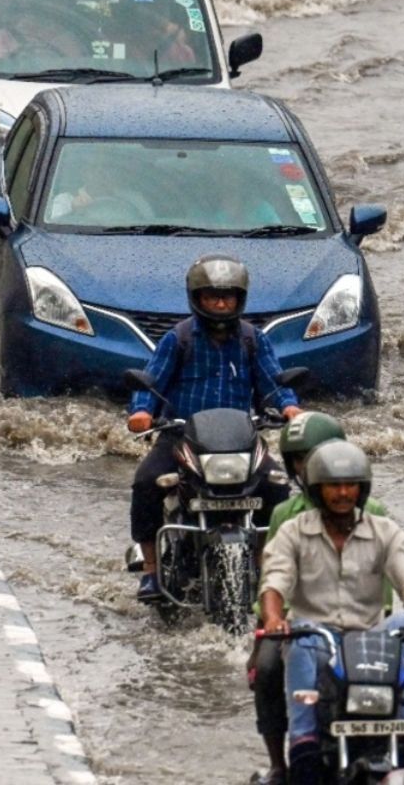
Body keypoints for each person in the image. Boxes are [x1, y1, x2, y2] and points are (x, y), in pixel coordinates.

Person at [259, 441, 404, 785]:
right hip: (317, 640)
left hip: (369, 642)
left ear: (362, 490)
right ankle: (302, 748)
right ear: (317, 490)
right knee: (299, 637)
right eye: (334, 486)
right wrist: (274, 619)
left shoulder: (384, 531)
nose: (343, 493)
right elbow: (275, 581)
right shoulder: (293, 531)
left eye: (351, 485)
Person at [127, 255, 301, 604]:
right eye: (212, 296)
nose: (221, 303)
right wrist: (142, 413)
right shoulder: (178, 339)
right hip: (182, 437)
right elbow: (150, 383)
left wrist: (290, 407)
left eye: (228, 296)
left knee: (278, 487)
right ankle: (150, 569)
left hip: (241, 439)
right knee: (146, 482)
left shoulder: (254, 340)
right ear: (197, 298)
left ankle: (265, 563)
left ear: (240, 299)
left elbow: (274, 382)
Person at [247, 414, 390, 785]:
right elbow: (272, 582)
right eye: (299, 459)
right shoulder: (284, 515)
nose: (307, 466)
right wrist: (265, 631)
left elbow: (390, 577)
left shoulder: (374, 515)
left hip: (360, 624)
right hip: (299, 629)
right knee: (267, 671)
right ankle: (279, 763)